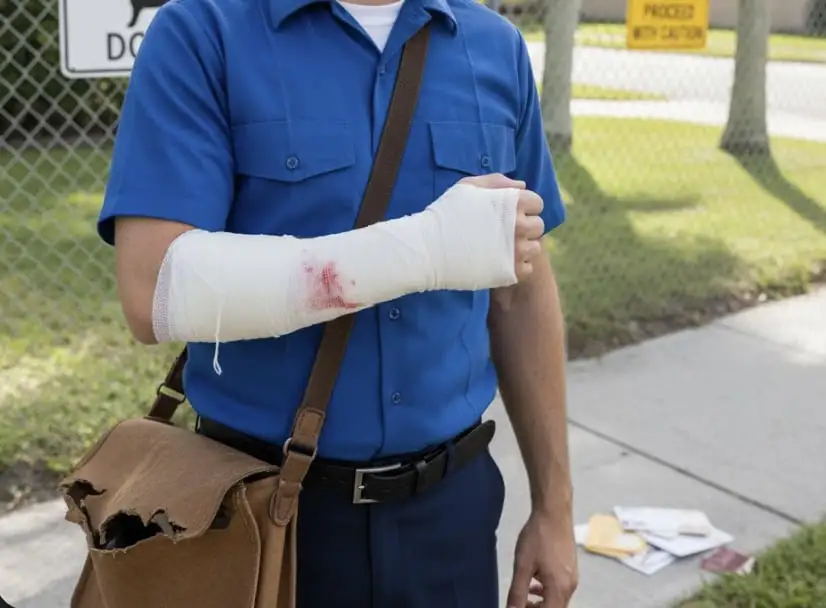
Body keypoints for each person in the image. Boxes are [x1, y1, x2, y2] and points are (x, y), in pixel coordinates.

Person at [98, 0, 577, 605]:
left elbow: (521, 288)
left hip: (452, 513)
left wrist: (555, 508)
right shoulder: (203, 29)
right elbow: (156, 290)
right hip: (262, 513)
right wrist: (427, 247)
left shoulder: (495, 45)